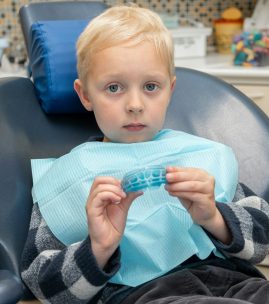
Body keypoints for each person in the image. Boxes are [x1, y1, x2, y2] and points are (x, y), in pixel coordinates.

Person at [21, 5, 269, 304]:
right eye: (114, 88)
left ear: (170, 89)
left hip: (236, 283)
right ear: (85, 94)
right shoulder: (67, 179)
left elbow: (262, 240)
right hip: (140, 295)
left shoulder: (199, 156)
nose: (135, 104)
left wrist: (215, 216)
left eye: (151, 86)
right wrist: (98, 247)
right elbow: (43, 286)